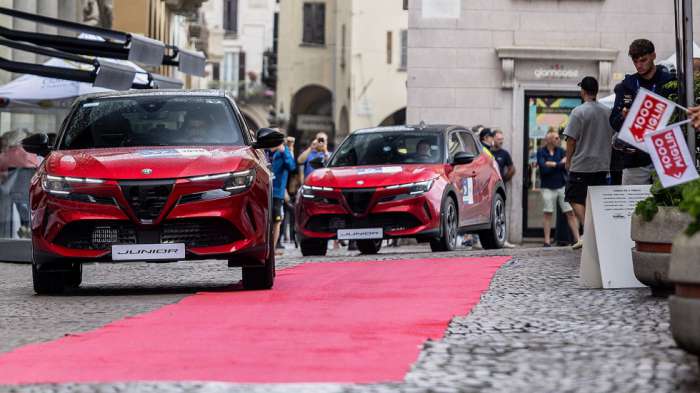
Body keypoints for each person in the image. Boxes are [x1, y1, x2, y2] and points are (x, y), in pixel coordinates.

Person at [609, 39, 675, 185]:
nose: (639, 65)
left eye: (643, 60)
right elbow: (613, 121)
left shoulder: (670, 82)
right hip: (635, 157)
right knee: (632, 203)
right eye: (635, 61)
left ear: (653, 56)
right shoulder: (627, 85)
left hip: (666, 153)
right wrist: (625, 119)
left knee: (668, 203)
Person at [564, 76, 615, 249]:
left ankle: (590, 231)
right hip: (602, 164)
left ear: (583, 91)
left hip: (582, 163)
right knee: (594, 200)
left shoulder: (579, 111)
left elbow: (571, 139)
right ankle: (592, 233)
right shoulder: (607, 112)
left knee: (572, 195)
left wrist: (568, 160)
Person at [537, 130, 580, 247]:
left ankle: (578, 239)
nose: (558, 140)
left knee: (570, 212)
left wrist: (553, 164)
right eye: (556, 138)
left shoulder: (561, 151)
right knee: (548, 213)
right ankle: (546, 241)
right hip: (547, 187)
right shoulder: (541, 151)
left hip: (561, 186)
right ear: (549, 140)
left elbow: (566, 165)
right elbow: (543, 168)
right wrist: (558, 164)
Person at [270, 132, 296, 255]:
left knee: (277, 220)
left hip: (277, 193)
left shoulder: (282, 152)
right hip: (271, 191)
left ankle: (273, 248)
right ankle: (271, 248)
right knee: (272, 221)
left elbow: (291, 166)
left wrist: (285, 150)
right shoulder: (274, 154)